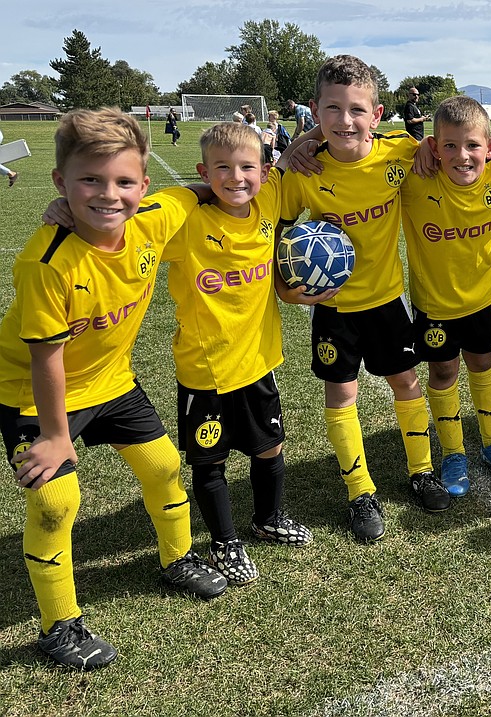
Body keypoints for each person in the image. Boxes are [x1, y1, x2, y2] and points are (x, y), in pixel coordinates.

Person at [0, 108, 225, 670]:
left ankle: (177, 558)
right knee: (56, 499)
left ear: (145, 186)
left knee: (164, 467)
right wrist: (55, 436)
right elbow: (44, 356)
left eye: (124, 181)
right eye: (89, 181)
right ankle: (60, 626)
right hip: (30, 391)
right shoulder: (45, 261)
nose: (109, 195)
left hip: (112, 382)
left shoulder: (156, 214)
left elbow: (203, 190)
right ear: (60, 183)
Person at [277, 54, 445, 541]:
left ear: (376, 114)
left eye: (356, 110)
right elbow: (277, 226)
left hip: (386, 299)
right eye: (332, 109)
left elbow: (445, 147)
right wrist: (289, 288)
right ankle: (360, 492)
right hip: (332, 306)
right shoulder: (304, 171)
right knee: (342, 392)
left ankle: (421, 471)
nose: (344, 120)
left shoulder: (399, 151)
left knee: (406, 384)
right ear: (315, 110)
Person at [160, 122, 313, 585]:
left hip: (259, 361)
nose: (236, 177)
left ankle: (269, 518)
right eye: (222, 169)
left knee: (270, 447)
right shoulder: (189, 224)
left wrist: (302, 145)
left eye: (247, 167)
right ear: (203, 171)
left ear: (263, 173)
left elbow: (297, 152)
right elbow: (129, 220)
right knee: (210, 462)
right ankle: (224, 543)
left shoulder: (268, 199)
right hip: (206, 371)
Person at [398, 95, 491, 495]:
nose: (462, 156)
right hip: (434, 304)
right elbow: (367, 143)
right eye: (449, 146)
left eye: (473, 145)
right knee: (443, 372)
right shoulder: (413, 176)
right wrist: (418, 145)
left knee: (483, 364)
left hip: (482, 300)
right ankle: (454, 452)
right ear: (435, 148)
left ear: (489, 148)